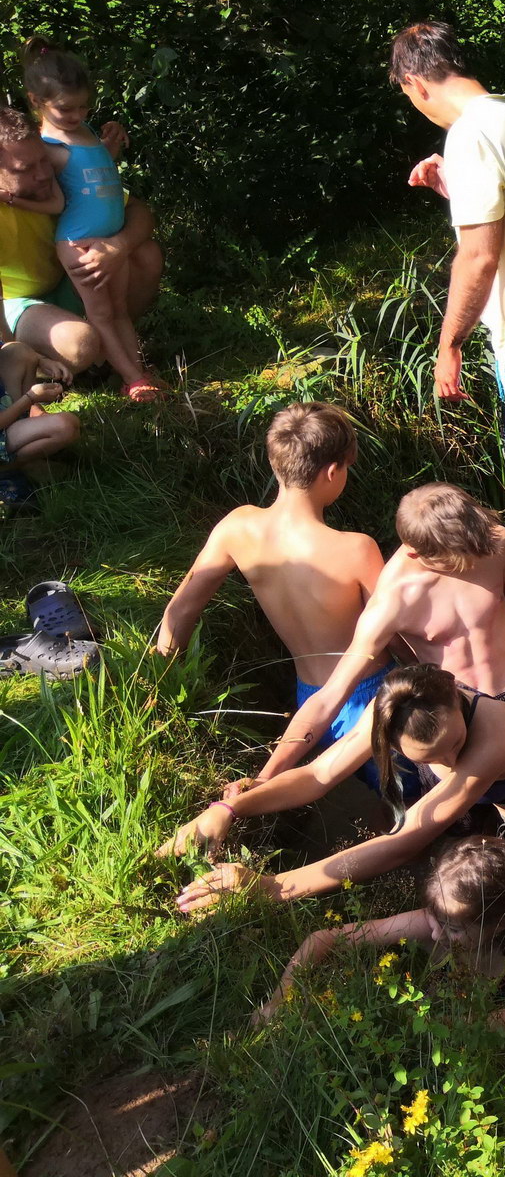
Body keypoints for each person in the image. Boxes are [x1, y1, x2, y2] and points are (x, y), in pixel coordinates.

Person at [167, 663, 505, 927]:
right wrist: (228, 807)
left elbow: (404, 841)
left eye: (456, 743)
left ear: (454, 694)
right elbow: (318, 775)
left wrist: (274, 888)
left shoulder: (495, 733)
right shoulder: (392, 707)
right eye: (431, 756)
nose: (450, 760)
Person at [389, 21, 505, 557]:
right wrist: (456, 185)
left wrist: (449, 344)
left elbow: (480, 256)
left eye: (408, 95)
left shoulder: (469, 135)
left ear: (415, 83)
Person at [154, 403, 386, 787]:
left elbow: (182, 607)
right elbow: (398, 629)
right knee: (405, 796)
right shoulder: (357, 549)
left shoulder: (237, 527)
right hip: (370, 694)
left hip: (308, 700)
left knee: (345, 785)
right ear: (333, 472)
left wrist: (159, 678)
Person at [251, 481, 505, 785]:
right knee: (468, 812)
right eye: (455, 556)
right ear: (416, 554)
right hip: (455, 722)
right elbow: (329, 696)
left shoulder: (492, 542)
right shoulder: (393, 600)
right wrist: (266, 776)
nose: (470, 558)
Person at [253, 835, 505, 1029]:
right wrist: (280, 999)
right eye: (437, 917)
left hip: (462, 1031)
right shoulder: (430, 924)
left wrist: (440, 1026)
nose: (437, 934)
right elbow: (323, 938)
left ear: (500, 922)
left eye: (453, 928)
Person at [17, 39, 166, 401]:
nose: (77, 115)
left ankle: (136, 372)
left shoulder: (85, 132)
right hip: (79, 242)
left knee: (119, 311)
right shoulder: (46, 147)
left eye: (84, 106)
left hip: (107, 240)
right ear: (36, 101)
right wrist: (16, 199)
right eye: (66, 108)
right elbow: (53, 199)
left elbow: (94, 172)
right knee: (101, 315)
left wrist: (109, 143)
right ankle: (133, 379)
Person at [0, 339, 79, 506]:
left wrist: (42, 361)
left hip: (7, 421)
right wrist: (30, 398)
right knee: (65, 427)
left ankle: (24, 457)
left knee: (19, 351)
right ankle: (8, 469)